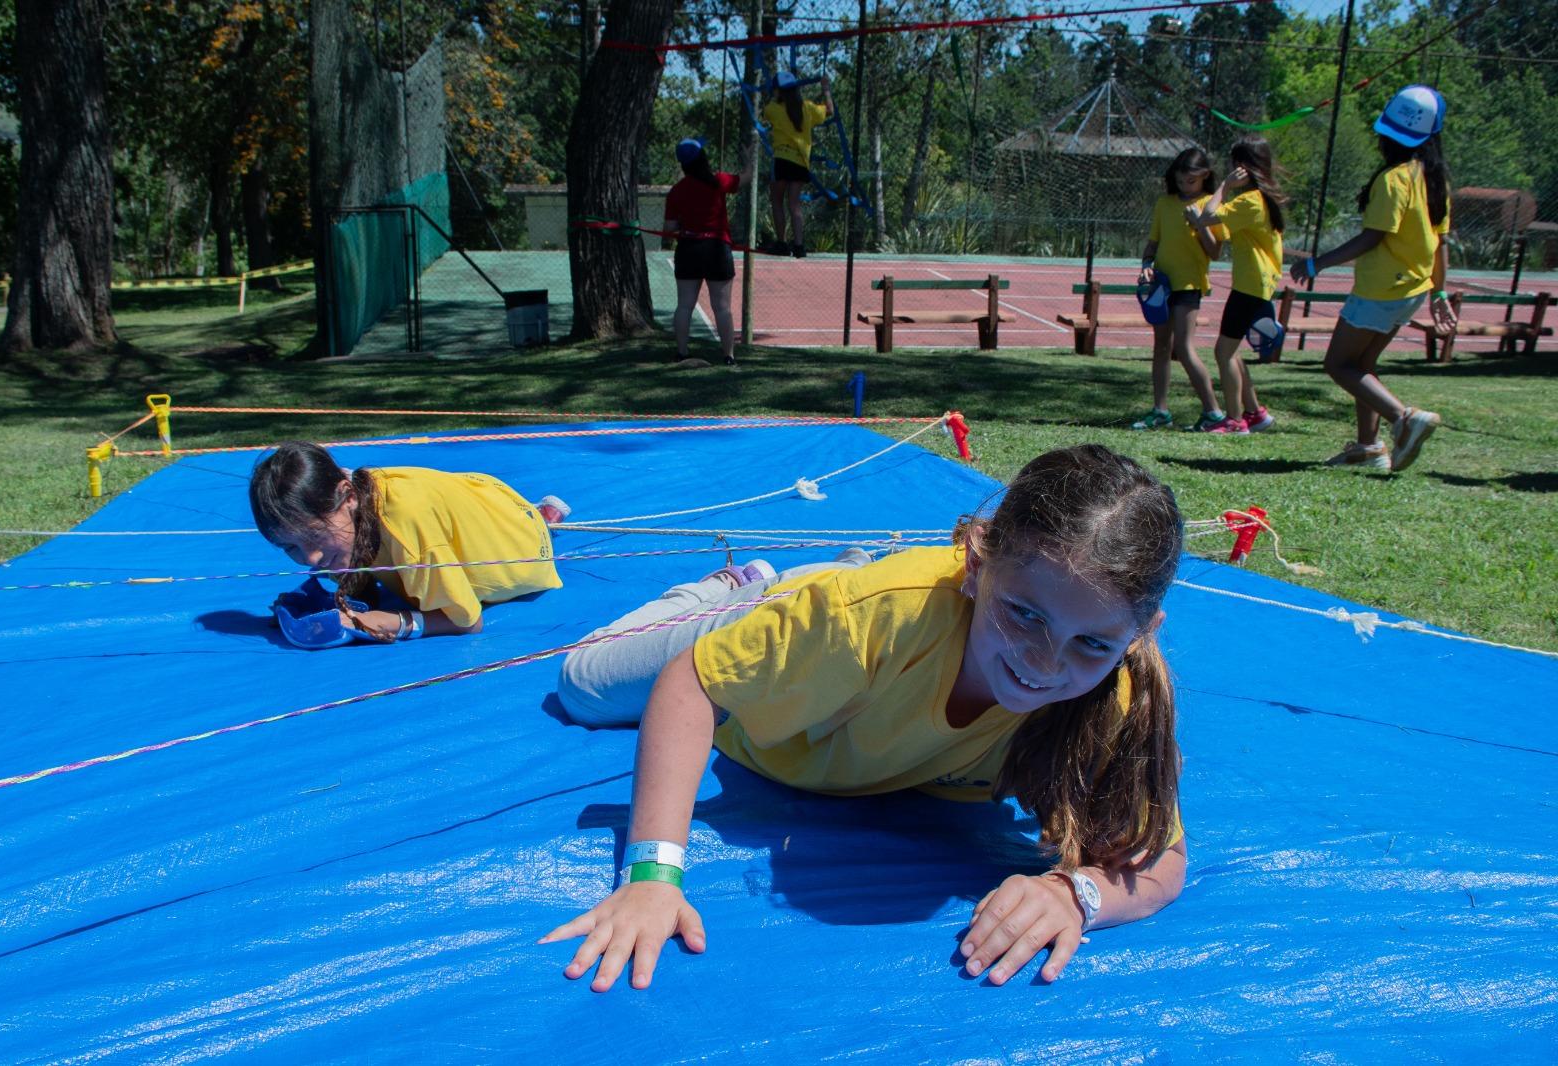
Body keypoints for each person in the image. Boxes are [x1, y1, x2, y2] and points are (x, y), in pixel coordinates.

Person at [542, 445, 1187, 992]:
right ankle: (735, 586)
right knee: (582, 687)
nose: (1044, 662)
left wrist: (1075, 895)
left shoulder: (1113, 702)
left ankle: (833, 575)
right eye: (1024, 614)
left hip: (844, 644)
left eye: (1093, 643)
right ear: (976, 563)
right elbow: (690, 685)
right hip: (808, 619)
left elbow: (1164, 861)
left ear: (1139, 634)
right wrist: (652, 876)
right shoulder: (869, 622)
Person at [248, 440, 567, 641]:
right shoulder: (345, 514)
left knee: (518, 526)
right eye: (291, 547)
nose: (311, 559)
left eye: (315, 536)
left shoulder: (405, 522)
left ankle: (542, 519)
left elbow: (466, 621)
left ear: (347, 496)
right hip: (480, 495)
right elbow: (357, 570)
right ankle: (535, 512)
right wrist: (343, 600)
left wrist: (384, 622)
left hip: (524, 548)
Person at [1291, 85, 1454, 473]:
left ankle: (1405, 418)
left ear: (1386, 134)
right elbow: (1440, 243)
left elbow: (1373, 236)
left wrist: (1317, 264)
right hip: (1414, 289)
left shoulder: (1394, 180)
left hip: (1381, 290)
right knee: (1363, 363)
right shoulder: (1435, 181)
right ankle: (1368, 447)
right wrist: (1440, 291)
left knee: (1339, 364)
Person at [1185, 137, 1285, 434]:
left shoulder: (1250, 200)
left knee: (1223, 352)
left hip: (1250, 285)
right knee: (1231, 349)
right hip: (1258, 284)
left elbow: (1209, 215)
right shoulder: (1260, 201)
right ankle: (1255, 413)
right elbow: (1220, 230)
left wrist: (1223, 187)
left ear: (1242, 167)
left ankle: (1234, 420)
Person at [1133, 148, 1227, 432]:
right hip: (1162, 283)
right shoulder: (1165, 203)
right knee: (1161, 346)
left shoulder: (1211, 205)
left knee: (1184, 348)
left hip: (1189, 285)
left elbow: (1214, 252)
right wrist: (1146, 265)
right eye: (1182, 180)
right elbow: (1153, 243)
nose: (1186, 186)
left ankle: (1213, 412)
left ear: (1204, 177)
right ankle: (1160, 410)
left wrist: (1199, 224)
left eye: (1192, 181)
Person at [664, 137, 749, 368]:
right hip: (717, 249)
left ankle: (681, 353)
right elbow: (746, 178)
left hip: (689, 248)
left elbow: (669, 228)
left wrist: (685, 224)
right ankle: (728, 356)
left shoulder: (677, 191)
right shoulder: (718, 181)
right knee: (722, 307)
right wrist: (749, 159)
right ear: (703, 158)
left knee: (684, 305)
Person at [759, 71, 834, 258]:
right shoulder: (807, 108)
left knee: (777, 200)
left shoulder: (773, 109)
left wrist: (772, 95)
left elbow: (764, 112)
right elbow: (830, 110)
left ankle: (782, 242)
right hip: (801, 161)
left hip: (782, 159)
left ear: (778, 91)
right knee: (794, 204)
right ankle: (799, 245)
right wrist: (825, 89)